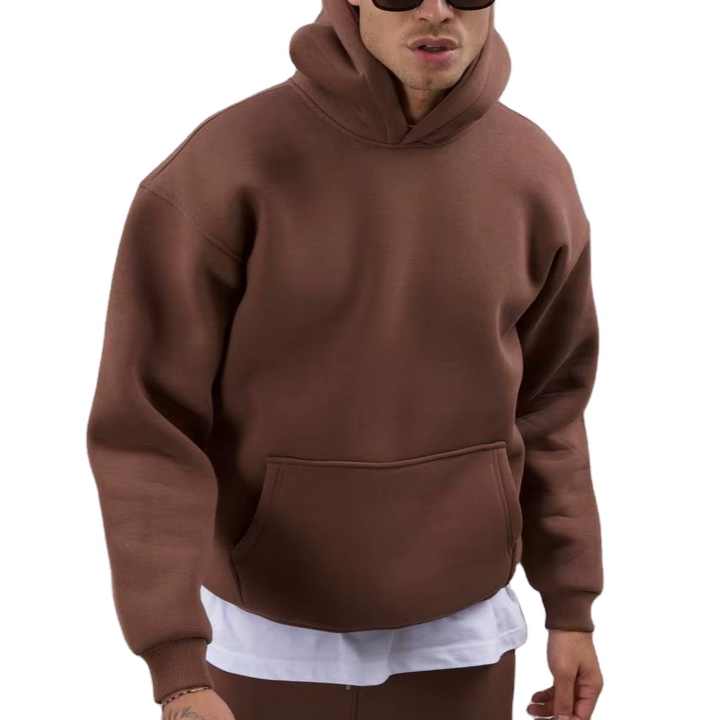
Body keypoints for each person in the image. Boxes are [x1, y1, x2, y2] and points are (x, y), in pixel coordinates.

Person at [86, 0, 605, 718]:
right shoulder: (228, 165)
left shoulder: (532, 171)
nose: (436, 11)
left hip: (463, 639)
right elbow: (147, 426)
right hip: (265, 637)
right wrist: (175, 666)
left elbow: (551, 409)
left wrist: (571, 609)